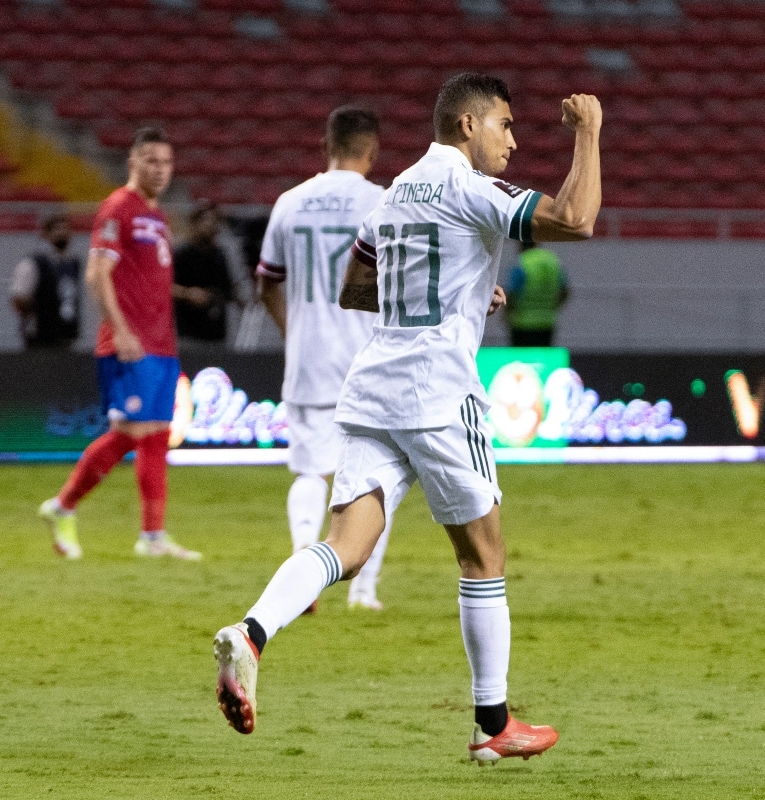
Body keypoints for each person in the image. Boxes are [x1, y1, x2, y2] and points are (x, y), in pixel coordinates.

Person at [214, 74, 602, 763]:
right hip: (438, 391)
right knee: (483, 553)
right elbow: (575, 218)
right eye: (505, 126)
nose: (513, 140)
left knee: (347, 546)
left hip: (372, 387)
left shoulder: (394, 193)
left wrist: (459, 295)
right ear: (466, 127)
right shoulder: (468, 187)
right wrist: (589, 132)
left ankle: (250, 633)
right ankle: (492, 725)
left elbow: (355, 289)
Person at [37, 127, 201, 561]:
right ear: (132, 162)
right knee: (133, 432)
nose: (160, 170)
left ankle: (152, 537)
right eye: (151, 161)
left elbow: (150, 281)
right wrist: (122, 329)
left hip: (161, 344)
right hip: (130, 344)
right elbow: (97, 274)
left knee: (154, 436)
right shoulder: (118, 208)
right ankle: (64, 505)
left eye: (166, 162)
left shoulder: (159, 217)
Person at [256, 106, 391, 611]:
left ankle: (303, 569)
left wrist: (294, 332)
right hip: (370, 362)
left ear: (325, 145)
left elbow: (266, 280)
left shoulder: (290, 203)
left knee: (309, 472)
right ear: (373, 150)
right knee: (378, 480)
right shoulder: (382, 202)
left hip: (308, 360)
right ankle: (363, 590)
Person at [9, 214, 82, 349]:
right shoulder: (33, 263)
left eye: (66, 229)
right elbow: (18, 297)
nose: (62, 233)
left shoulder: (72, 263)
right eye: (57, 229)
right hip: (39, 336)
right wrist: (38, 308)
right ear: (46, 234)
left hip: (66, 333)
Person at [172, 200, 237, 349]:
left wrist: (214, 296)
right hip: (188, 333)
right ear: (195, 224)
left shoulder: (220, 255)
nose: (213, 227)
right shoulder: (181, 254)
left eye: (216, 222)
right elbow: (165, 286)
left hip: (216, 335)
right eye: (208, 221)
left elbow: (227, 290)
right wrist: (188, 294)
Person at [505, 241, 569, 346]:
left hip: (522, 323)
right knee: (543, 359)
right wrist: (551, 308)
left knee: (522, 360)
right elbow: (564, 292)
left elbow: (512, 293)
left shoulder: (522, 262)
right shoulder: (552, 260)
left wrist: (507, 315)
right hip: (547, 322)